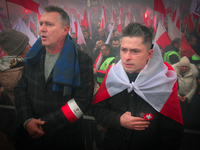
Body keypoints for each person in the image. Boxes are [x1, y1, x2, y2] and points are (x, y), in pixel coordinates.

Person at [92, 23, 183, 150]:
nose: (127, 57)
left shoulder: (164, 81)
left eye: (135, 51)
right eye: (124, 50)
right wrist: (118, 120)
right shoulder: (113, 75)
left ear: (149, 54)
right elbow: (97, 110)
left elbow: (172, 132)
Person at [14, 5, 94, 150]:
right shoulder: (33, 56)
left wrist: (45, 125)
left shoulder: (82, 60)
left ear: (65, 30)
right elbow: (21, 88)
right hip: (30, 138)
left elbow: (82, 101)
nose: (42, 28)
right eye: (41, 24)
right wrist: (28, 120)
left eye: (49, 24)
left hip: (66, 138)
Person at [172, 56, 198, 126]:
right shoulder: (173, 73)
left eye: (186, 66)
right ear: (179, 66)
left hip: (187, 99)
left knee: (184, 114)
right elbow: (171, 86)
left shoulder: (193, 74)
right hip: (176, 97)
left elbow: (194, 87)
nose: (184, 68)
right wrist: (177, 96)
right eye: (182, 66)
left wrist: (187, 97)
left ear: (189, 67)